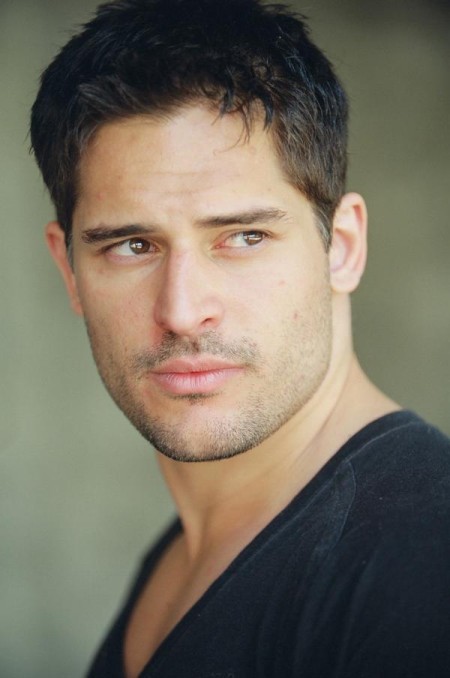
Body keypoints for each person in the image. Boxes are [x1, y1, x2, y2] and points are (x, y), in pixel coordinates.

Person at [30, 0, 450, 676]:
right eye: (132, 246)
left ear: (342, 247)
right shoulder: (185, 552)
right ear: (69, 270)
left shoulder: (422, 565)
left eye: (244, 237)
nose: (182, 310)